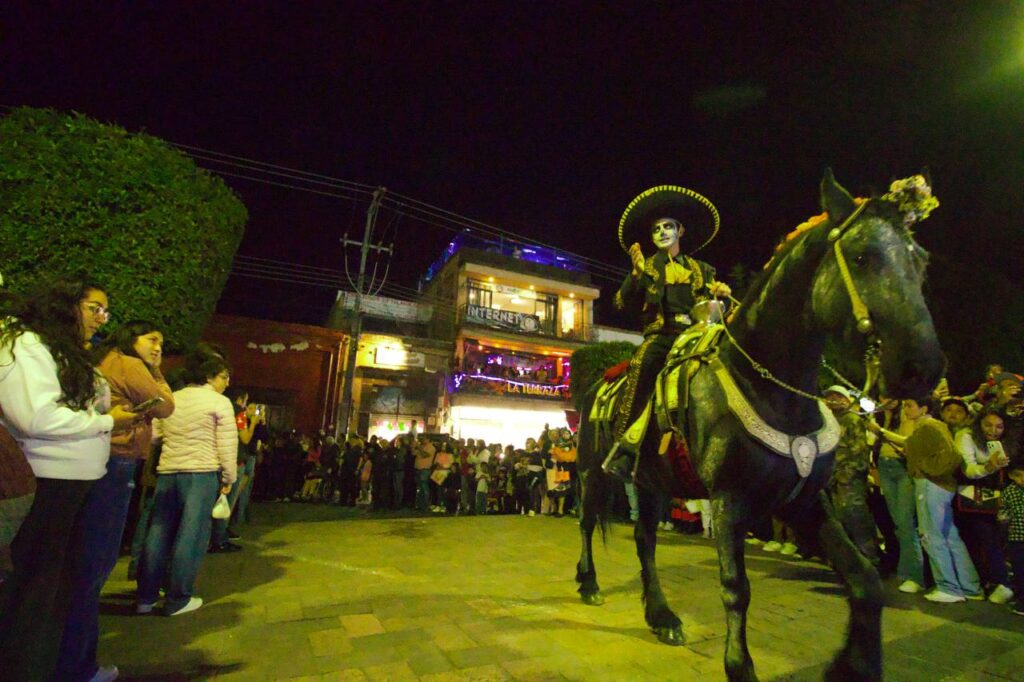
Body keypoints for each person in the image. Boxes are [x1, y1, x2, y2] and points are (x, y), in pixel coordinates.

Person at [0, 278, 138, 681]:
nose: (102, 319)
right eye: (94, 308)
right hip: (48, 483)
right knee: (32, 590)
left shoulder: (62, 349)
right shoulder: (26, 344)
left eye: (105, 311)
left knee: (57, 590)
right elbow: (37, 417)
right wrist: (105, 422)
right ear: (64, 305)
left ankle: (55, 667)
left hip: (76, 484)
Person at [57, 320, 175, 681]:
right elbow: (166, 406)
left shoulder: (101, 360)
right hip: (117, 458)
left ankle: (66, 657)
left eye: (161, 342)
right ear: (131, 339)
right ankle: (78, 665)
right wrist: (157, 373)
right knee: (95, 564)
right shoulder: (129, 364)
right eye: (152, 339)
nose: (158, 347)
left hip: (90, 459)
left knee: (80, 561)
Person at [604, 185, 730, 480]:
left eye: (668, 226)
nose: (662, 232)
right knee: (642, 363)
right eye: (656, 229)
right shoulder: (645, 266)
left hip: (698, 335)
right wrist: (636, 275)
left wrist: (722, 296)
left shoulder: (703, 269)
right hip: (662, 337)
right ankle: (625, 447)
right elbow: (620, 303)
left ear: (680, 230)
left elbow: (713, 308)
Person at [136, 352, 237, 616]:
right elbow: (227, 445)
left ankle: (145, 597)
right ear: (208, 376)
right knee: (191, 536)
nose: (226, 383)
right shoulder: (220, 402)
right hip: (201, 473)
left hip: (168, 472)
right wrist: (229, 477)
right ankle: (178, 597)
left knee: (158, 533)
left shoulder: (173, 399)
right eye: (223, 377)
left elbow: (155, 435)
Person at [900, 398, 983, 603]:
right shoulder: (929, 426)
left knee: (931, 535)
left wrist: (927, 470)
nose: (905, 409)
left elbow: (951, 456)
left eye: (910, 405)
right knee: (949, 536)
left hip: (931, 485)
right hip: (939, 485)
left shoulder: (929, 427)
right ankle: (970, 587)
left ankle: (949, 587)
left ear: (924, 408)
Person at [954, 408, 1014, 603]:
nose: (993, 430)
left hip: (1001, 495)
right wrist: (990, 467)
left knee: (996, 540)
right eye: (988, 425)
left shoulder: (1008, 440)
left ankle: (1000, 582)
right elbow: (968, 469)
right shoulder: (966, 436)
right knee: (981, 538)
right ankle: (992, 582)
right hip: (974, 498)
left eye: (999, 426)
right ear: (978, 423)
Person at [870, 399, 926, 593]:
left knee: (905, 523)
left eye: (889, 396)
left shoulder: (907, 414)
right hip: (884, 467)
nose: (885, 401)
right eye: (882, 396)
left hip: (901, 468)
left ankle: (915, 576)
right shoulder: (882, 415)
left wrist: (880, 431)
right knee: (898, 523)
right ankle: (904, 571)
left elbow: (906, 441)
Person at [824, 385, 879, 565]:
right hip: (832, 479)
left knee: (855, 518)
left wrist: (847, 475)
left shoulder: (852, 419)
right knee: (839, 521)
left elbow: (859, 452)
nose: (833, 399)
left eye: (838, 396)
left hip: (849, 480)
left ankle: (870, 560)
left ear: (847, 400)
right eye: (830, 396)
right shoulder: (828, 420)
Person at [1000, 463, 1024, 615]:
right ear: (1011, 476)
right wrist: (1003, 519)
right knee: (1020, 569)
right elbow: (1004, 511)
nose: (1022, 479)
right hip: (1017, 537)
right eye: (1018, 476)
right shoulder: (1009, 492)